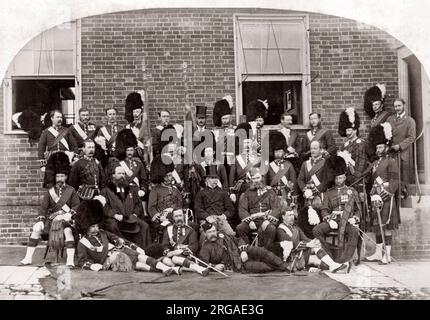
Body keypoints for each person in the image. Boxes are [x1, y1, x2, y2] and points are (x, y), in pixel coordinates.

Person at [75, 199, 179, 275]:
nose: (96, 229)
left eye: (97, 226)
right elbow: (82, 261)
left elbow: (119, 240)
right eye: (93, 227)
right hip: (111, 261)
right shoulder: (82, 243)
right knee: (138, 264)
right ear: (85, 226)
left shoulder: (103, 233)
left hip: (122, 251)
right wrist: (92, 266)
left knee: (140, 259)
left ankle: (165, 268)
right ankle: (164, 267)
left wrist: (134, 247)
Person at [20, 153, 80, 267]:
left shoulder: (71, 190)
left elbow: (77, 206)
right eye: (58, 176)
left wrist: (70, 214)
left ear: (66, 177)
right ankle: (28, 258)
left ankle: (70, 261)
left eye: (62, 176)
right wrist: (41, 220)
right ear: (54, 177)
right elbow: (43, 207)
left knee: (68, 232)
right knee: (36, 229)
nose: (60, 179)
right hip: (52, 220)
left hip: (67, 219)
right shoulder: (50, 192)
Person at [312, 155, 362, 264]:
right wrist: (328, 220)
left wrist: (355, 218)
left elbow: (358, 210)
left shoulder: (352, 191)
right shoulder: (329, 192)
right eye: (336, 178)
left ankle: (344, 259)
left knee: (354, 231)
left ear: (345, 177)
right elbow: (324, 210)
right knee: (316, 230)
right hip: (333, 220)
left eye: (341, 178)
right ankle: (329, 257)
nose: (338, 180)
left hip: (347, 221)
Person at [272, 204, 350, 273]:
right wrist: (309, 244)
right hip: (291, 258)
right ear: (283, 217)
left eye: (292, 215)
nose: (292, 217)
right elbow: (291, 245)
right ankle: (334, 265)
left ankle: (335, 266)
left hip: (300, 253)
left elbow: (305, 238)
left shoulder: (296, 227)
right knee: (315, 258)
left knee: (316, 254)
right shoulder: (280, 229)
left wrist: (313, 241)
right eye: (289, 215)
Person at [364, 123, 400, 264]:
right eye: (377, 147)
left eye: (380, 147)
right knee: (377, 227)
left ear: (386, 147)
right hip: (376, 197)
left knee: (386, 226)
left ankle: (388, 255)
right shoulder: (376, 163)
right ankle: (379, 253)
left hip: (386, 198)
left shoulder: (391, 161)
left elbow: (394, 182)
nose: (378, 150)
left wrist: (383, 194)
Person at [199, 222, 289, 273]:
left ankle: (285, 266)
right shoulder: (205, 247)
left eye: (214, 231)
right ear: (205, 234)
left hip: (242, 251)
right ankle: (279, 268)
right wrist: (214, 267)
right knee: (262, 267)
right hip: (237, 265)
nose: (213, 234)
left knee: (263, 251)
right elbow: (203, 264)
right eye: (210, 232)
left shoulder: (222, 235)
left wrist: (242, 251)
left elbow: (238, 240)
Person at [100, 164, 151, 249]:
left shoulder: (132, 189)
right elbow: (104, 207)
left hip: (130, 217)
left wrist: (135, 214)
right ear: (113, 175)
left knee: (145, 226)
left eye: (123, 174)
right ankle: (124, 248)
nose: (122, 176)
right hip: (115, 218)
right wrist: (114, 215)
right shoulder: (106, 191)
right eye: (119, 173)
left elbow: (138, 204)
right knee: (112, 226)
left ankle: (145, 250)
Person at [236, 169, 281, 250]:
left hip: (266, 219)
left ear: (262, 178)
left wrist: (268, 220)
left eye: (258, 178)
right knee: (240, 228)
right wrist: (249, 221)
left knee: (271, 229)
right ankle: (249, 249)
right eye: (254, 179)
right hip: (253, 220)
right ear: (251, 180)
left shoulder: (270, 191)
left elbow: (276, 208)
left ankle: (266, 251)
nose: (256, 181)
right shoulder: (247, 193)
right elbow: (242, 209)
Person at [297, 140, 334, 238]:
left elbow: (328, 180)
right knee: (307, 221)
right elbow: (300, 179)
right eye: (311, 148)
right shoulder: (305, 164)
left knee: (319, 220)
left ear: (321, 150)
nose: (312, 150)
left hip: (319, 196)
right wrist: (305, 190)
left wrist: (316, 189)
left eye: (315, 148)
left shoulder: (325, 162)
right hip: (308, 196)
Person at [110, 129, 149, 216]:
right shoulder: (118, 163)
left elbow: (143, 180)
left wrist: (143, 190)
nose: (130, 152)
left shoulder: (139, 163)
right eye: (128, 150)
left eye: (131, 150)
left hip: (137, 191)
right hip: (125, 192)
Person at [160, 209, 210, 276]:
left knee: (175, 259)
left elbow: (194, 246)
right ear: (173, 218)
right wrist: (168, 252)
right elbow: (165, 245)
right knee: (165, 260)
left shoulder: (190, 230)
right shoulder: (169, 229)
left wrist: (181, 251)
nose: (179, 218)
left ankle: (199, 269)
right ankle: (180, 268)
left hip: (186, 256)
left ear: (183, 216)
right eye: (176, 216)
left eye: (180, 215)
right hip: (172, 256)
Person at [38, 110, 79, 187]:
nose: (60, 119)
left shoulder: (67, 131)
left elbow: (74, 146)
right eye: (57, 117)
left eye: (61, 117)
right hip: (52, 159)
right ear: (52, 118)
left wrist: (75, 158)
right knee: (51, 182)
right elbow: (41, 148)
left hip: (65, 159)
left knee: (66, 182)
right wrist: (42, 165)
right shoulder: (46, 132)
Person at [148, 155, 184, 241]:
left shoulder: (175, 189)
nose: (169, 178)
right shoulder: (155, 190)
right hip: (163, 218)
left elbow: (180, 204)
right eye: (166, 176)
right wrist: (159, 217)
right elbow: (151, 208)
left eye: (170, 176)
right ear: (161, 177)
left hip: (177, 217)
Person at [194, 164, 236, 238]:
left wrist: (224, 216)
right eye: (212, 178)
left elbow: (231, 210)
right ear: (206, 179)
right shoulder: (200, 194)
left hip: (221, 220)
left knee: (231, 234)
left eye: (216, 178)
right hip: (207, 220)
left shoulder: (223, 193)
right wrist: (207, 217)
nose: (215, 180)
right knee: (205, 236)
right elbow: (198, 209)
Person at [386, 98, 416, 199]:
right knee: (392, 174)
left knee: (403, 174)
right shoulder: (390, 119)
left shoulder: (410, 121)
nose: (397, 108)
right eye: (395, 106)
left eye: (399, 106)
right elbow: (385, 134)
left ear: (404, 105)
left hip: (403, 152)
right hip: (391, 153)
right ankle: (393, 195)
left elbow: (412, 137)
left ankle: (403, 194)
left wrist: (400, 146)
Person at [229, 123, 262, 203]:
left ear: (252, 144)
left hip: (255, 186)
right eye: (245, 143)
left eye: (248, 143)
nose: (247, 145)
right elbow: (232, 177)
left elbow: (263, 175)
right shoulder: (237, 159)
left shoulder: (258, 158)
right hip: (241, 188)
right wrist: (232, 192)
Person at [337, 107, 369, 189]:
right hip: (345, 181)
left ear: (355, 130)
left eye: (349, 130)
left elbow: (361, 166)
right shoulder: (344, 145)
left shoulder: (361, 144)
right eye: (346, 131)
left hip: (356, 180)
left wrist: (359, 185)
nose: (347, 133)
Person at [266, 131, 297, 207]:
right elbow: (266, 182)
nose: (279, 154)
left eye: (280, 151)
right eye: (276, 151)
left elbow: (293, 182)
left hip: (285, 194)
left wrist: (294, 197)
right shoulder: (269, 166)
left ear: (284, 152)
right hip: (272, 195)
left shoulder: (288, 165)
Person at [212, 95, 236, 176]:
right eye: (223, 119)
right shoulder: (215, 131)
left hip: (232, 161)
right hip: (220, 161)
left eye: (227, 118)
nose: (225, 121)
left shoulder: (236, 130)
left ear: (231, 118)